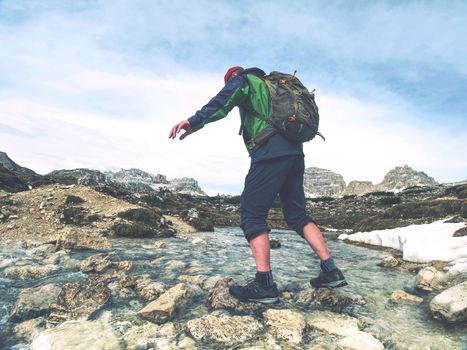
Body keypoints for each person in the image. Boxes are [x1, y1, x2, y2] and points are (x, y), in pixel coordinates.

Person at [169, 66, 347, 304]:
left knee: (252, 213)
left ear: (233, 77)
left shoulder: (244, 80)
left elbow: (222, 102)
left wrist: (193, 122)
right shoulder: (275, 86)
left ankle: (264, 284)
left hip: (269, 152)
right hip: (295, 154)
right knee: (297, 215)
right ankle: (331, 270)